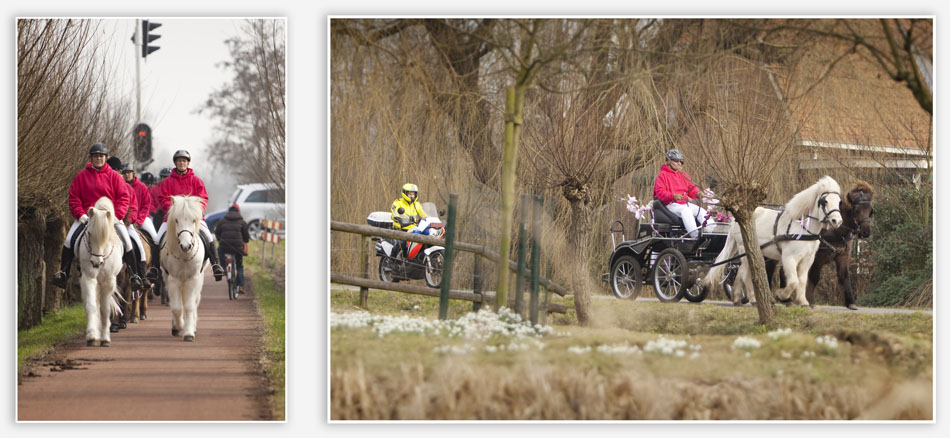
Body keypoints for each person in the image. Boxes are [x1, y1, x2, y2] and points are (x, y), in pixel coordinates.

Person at [51, 143, 144, 290]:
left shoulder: (114, 176)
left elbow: (123, 198)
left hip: (110, 219)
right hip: (87, 218)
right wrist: (80, 214)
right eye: (95, 156)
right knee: (69, 241)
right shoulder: (81, 176)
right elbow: (74, 197)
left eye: (101, 156)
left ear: (106, 158)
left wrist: (116, 216)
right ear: (91, 158)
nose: (98, 159)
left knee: (127, 241)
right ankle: (63, 274)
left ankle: (134, 275)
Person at [155, 150, 225, 280]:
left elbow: (203, 198)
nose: (182, 163)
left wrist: (196, 211)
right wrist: (175, 210)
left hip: (193, 219)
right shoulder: (167, 182)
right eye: (179, 161)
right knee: (157, 239)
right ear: (175, 163)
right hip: (173, 219)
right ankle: (154, 269)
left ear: (188, 163)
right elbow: (163, 199)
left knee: (209, 237)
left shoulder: (196, 181)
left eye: (184, 161)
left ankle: (216, 265)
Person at [653, 149, 708, 238]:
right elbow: (660, 193)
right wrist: (673, 196)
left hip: (684, 203)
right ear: (668, 161)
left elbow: (691, 188)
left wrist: (698, 193)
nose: (679, 163)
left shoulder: (683, 175)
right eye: (676, 161)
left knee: (701, 212)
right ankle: (696, 236)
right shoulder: (662, 175)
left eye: (681, 161)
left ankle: (712, 232)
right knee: (686, 211)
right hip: (670, 204)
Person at [121, 163, 158, 282]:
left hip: (142, 218)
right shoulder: (120, 185)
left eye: (129, 172)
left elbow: (146, 205)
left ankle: (155, 267)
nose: (127, 174)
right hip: (125, 220)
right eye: (125, 172)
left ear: (133, 173)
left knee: (155, 239)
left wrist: (139, 220)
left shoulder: (141, 187)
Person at [214, 204, 250, 295]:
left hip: (224, 246)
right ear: (238, 212)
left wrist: (219, 240)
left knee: (220, 251)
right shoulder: (242, 221)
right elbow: (246, 236)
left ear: (228, 212)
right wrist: (245, 241)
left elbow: (217, 232)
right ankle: (241, 285)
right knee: (239, 266)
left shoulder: (222, 220)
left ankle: (223, 268)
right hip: (238, 247)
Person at [390, 183, 427, 258]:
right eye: (410, 194)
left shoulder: (417, 204)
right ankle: (391, 260)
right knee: (402, 243)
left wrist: (428, 219)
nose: (412, 196)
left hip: (413, 229)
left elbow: (424, 215)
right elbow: (394, 214)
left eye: (413, 194)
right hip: (401, 229)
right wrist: (398, 218)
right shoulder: (398, 203)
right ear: (405, 193)